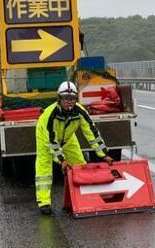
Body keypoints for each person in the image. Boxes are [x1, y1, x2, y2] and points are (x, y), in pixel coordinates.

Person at [35, 81, 114, 215]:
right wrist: (61, 160)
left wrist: (103, 154)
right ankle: (44, 202)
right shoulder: (50, 115)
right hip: (46, 139)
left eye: (72, 99)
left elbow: (92, 133)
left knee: (80, 165)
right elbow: (52, 141)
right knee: (44, 169)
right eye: (65, 98)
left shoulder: (80, 112)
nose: (69, 102)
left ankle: (84, 197)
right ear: (59, 99)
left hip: (68, 138)